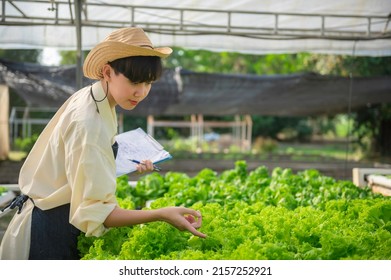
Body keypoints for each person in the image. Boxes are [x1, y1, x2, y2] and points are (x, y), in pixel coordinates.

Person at [0, 27, 206, 260]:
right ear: (107, 72)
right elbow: (97, 213)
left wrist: (121, 163)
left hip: (53, 216)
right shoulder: (90, 123)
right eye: (134, 81)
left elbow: (78, 163)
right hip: (50, 230)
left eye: (148, 83)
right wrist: (161, 214)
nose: (141, 92)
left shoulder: (92, 97)